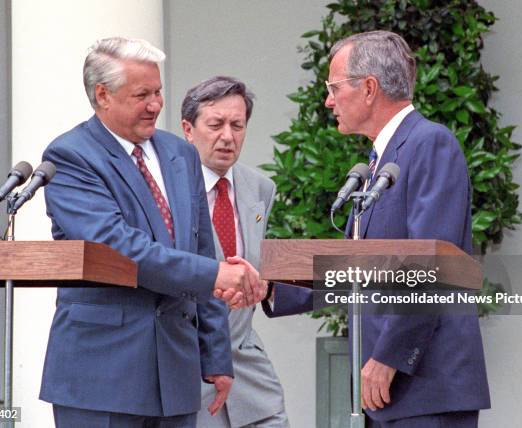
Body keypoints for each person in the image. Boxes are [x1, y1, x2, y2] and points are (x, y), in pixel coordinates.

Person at [262, 31, 490, 427]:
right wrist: (269, 286)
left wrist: (388, 356)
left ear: (369, 88)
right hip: (386, 392)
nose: (328, 101)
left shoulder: (430, 144)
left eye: (334, 88)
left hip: (424, 389)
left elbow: (431, 266)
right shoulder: (377, 163)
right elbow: (359, 272)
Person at [39, 37, 264, 428]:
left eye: (158, 91)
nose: (156, 104)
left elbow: (201, 249)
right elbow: (118, 248)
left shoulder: (180, 154)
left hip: (175, 374)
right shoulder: (70, 156)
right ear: (103, 95)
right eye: (142, 94)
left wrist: (215, 356)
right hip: (103, 375)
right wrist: (216, 275)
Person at [181, 76, 290, 428]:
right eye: (215, 125)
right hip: (191, 367)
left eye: (237, 125)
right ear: (188, 129)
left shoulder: (260, 187)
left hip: (250, 369)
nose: (228, 136)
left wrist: (263, 286)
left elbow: (259, 266)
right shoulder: (169, 188)